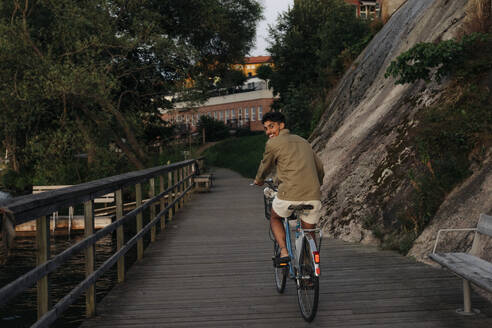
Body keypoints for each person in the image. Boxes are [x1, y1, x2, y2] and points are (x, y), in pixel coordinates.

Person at [254, 111, 324, 264]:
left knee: (275, 217)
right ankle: (308, 269)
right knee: (309, 233)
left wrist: (259, 180)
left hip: (289, 195)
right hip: (313, 195)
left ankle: (284, 252)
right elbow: (319, 167)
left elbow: (265, 165)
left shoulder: (273, 144)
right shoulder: (304, 141)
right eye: (266, 129)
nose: (269, 132)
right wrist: (317, 184)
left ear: (281, 125)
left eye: (271, 127)